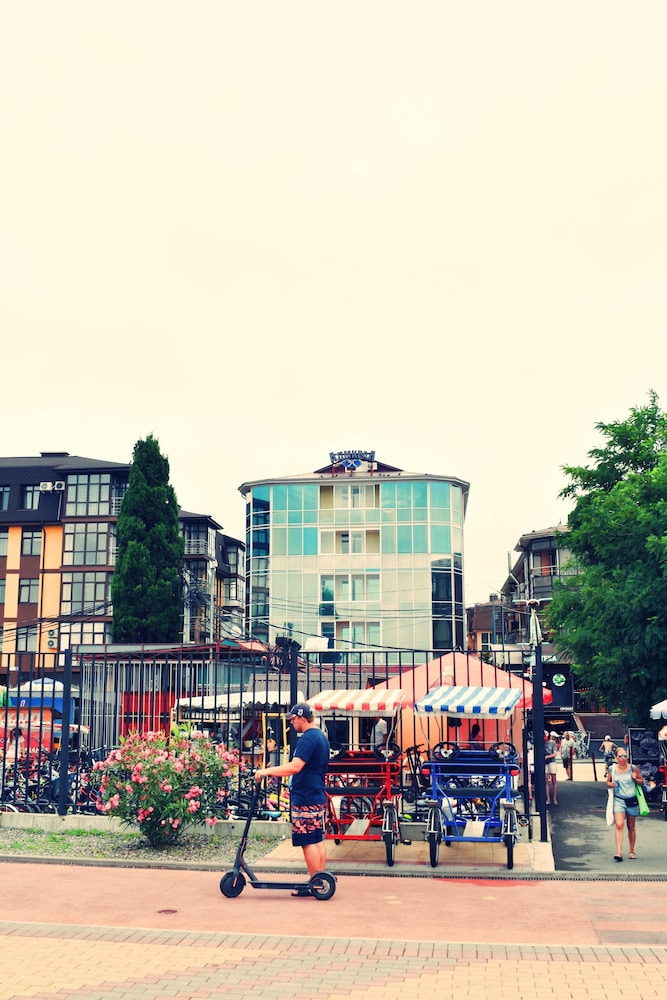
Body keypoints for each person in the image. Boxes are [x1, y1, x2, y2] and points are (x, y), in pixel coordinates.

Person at [254, 702, 330, 895]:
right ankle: (319, 879)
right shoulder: (321, 736)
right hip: (316, 794)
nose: (291, 723)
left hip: (305, 796)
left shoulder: (308, 738)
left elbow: (295, 767)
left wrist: (266, 771)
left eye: (293, 719)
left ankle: (316, 884)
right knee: (316, 837)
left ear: (302, 718)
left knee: (307, 840)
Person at [607, 745, 644, 861]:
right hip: (619, 800)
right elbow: (607, 782)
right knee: (619, 825)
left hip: (631, 799)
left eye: (625, 756)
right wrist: (611, 784)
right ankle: (618, 852)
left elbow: (642, 782)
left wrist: (635, 779)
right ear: (616, 758)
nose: (623, 758)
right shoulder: (612, 769)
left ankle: (632, 851)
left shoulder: (633, 768)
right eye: (620, 756)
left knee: (631, 826)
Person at [544, 731, 559, 805]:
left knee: (554, 780)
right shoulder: (542, 743)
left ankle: (554, 798)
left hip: (551, 762)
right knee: (546, 781)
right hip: (545, 763)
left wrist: (547, 757)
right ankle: (548, 798)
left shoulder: (552, 743)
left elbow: (555, 753)